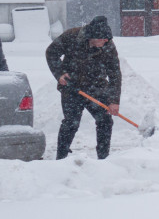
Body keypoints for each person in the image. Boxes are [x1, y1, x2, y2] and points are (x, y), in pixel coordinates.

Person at [46, 16, 122, 160]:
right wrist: (60, 74)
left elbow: (115, 74)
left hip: (97, 88)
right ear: (92, 36)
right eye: (103, 38)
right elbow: (51, 53)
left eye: (107, 39)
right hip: (72, 88)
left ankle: (104, 157)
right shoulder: (71, 36)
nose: (106, 41)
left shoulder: (108, 45)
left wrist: (113, 100)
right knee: (71, 123)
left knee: (105, 120)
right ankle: (61, 158)